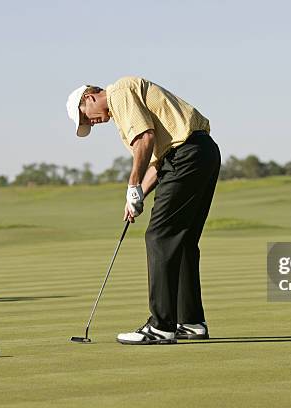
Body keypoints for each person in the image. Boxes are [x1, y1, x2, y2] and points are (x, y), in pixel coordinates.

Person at [66, 77, 221, 344]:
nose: (90, 123)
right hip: (202, 153)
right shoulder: (122, 106)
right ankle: (192, 322)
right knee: (182, 241)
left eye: (85, 118)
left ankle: (161, 326)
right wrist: (136, 198)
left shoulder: (119, 92)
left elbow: (145, 139)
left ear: (89, 98)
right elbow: (156, 162)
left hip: (185, 156)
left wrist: (133, 184)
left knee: (159, 236)